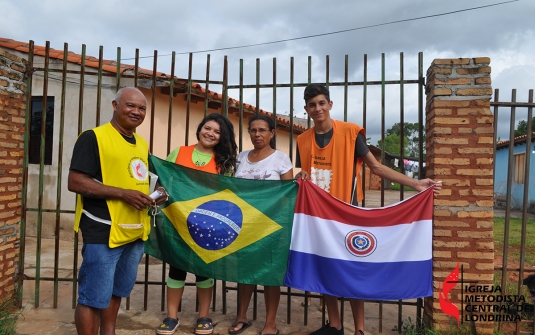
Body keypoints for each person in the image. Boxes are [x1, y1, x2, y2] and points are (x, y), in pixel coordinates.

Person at [295, 84, 442, 335]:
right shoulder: (302, 140)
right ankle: (335, 326)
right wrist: (301, 175)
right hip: (318, 217)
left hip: (348, 213)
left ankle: (360, 330)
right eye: (312, 104)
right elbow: (301, 174)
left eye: (321, 103)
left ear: (330, 104)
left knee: (354, 270)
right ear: (306, 109)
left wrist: (416, 183)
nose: (317, 108)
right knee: (325, 268)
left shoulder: (351, 133)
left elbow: (376, 168)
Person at [68, 87, 167, 335]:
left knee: (116, 290)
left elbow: (138, 179)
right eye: (130, 105)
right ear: (115, 105)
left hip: (134, 230)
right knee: (92, 296)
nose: (136, 111)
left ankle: (109, 332)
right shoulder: (93, 137)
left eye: (142, 108)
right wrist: (123, 194)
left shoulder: (141, 144)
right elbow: (76, 181)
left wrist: (156, 192)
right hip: (103, 229)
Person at [156, 113, 238, 335]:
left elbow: (228, 197)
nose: (210, 133)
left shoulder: (224, 163)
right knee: (176, 269)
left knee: (204, 271)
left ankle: (204, 316)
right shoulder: (179, 153)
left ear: (222, 137)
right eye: (207, 128)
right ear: (200, 128)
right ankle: (171, 317)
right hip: (178, 222)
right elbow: (162, 182)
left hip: (208, 227)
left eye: (217, 131)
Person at [228, 114, 294, 335]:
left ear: (271, 133)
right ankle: (241, 317)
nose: (257, 134)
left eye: (262, 130)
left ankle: (270, 323)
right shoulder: (241, 157)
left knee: (269, 275)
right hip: (244, 225)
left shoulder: (281, 159)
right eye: (253, 130)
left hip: (271, 227)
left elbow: (287, 195)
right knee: (245, 272)